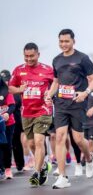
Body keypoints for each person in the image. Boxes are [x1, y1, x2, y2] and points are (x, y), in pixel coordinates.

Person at [45, 29, 93, 189]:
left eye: (66, 41)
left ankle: (89, 159)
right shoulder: (56, 60)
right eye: (61, 41)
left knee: (78, 139)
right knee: (60, 137)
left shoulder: (82, 58)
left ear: (73, 41)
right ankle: (63, 176)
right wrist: (50, 94)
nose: (63, 44)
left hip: (77, 103)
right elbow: (56, 81)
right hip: (60, 104)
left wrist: (85, 93)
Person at [9, 42, 53, 186]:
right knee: (31, 143)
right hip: (26, 112)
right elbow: (10, 88)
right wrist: (19, 89)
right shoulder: (18, 70)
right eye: (26, 56)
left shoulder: (47, 70)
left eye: (32, 56)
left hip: (43, 110)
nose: (29, 59)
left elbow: (57, 84)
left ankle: (37, 172)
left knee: (40, 141)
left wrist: (51, 93)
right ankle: (44, 165)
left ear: (38, 54)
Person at [1, 70, 25, 173]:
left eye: (7, 80)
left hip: (15, 119)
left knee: (15, 142)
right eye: (4, 80)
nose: (6, 82)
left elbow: (16, 104)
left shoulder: (13, 90)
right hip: (3, 121)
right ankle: (4, 166)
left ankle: (20, 164)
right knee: (5, 144)